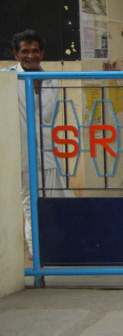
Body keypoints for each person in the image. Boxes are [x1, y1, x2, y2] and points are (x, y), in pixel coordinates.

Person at [5, 29, 72, 259]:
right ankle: (38, 257)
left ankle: (55, 251)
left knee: (56, 203)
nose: (30, 56)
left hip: (47, 155)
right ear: (16, 54)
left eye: (35, 51)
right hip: (22, 157)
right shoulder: (6, 79)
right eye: (25, 51)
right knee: (31, 205)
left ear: (42, 53)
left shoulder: (51, 80)